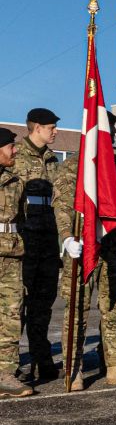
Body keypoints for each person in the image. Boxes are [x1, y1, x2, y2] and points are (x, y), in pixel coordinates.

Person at [53, 126, 116, 390]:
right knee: (78, 308)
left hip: (114, 248)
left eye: (111, 130)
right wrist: (67, 237)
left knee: (115, 308)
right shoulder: (73, 166)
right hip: (82, 246)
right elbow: (62, 205)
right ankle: (74, 368)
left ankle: (115, 365)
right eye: (106, 128)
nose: (111, 134)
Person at [12, 108, 62, 383]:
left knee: (44, 303)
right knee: (15, 304)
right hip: (24, 240)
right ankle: (10, 362)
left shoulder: (53, 160)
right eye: (51, 127)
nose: (55, 132)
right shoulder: (15, 156)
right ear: (36, 128)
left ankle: (42, 359)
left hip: (48, 240)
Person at [0, 128, 33, 398]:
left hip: (11, 255)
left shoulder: (15, 182)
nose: (15, 150)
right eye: (11, 146)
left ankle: (6, 373)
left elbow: (20, 218)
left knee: (11, 314)